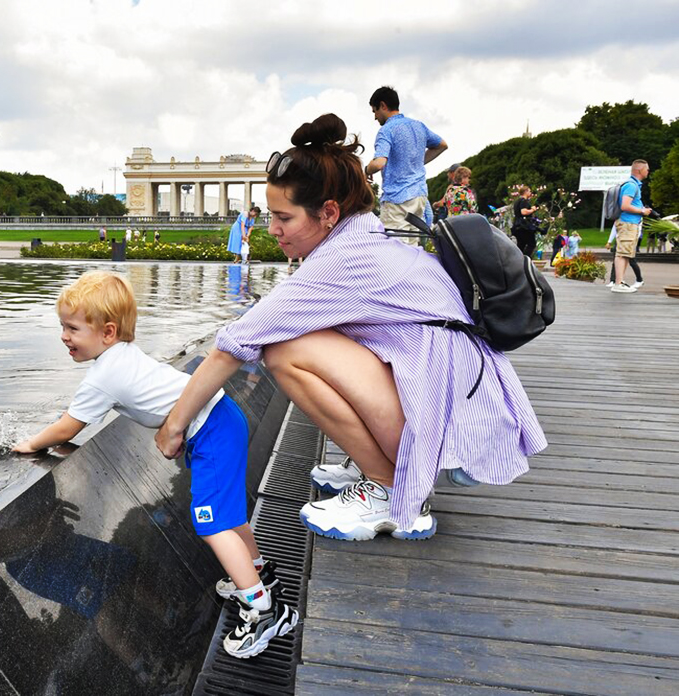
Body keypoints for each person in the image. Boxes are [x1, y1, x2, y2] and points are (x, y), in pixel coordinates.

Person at [156, 113, 546, 546]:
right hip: (462, 413)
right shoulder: (365, 239)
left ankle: (390, 489)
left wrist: (175, 424)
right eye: (270, 216)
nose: (273, 229)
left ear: (328, 212)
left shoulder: (341, 262)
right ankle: (380, 466)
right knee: (303, 334)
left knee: (282, 352)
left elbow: (233, 345)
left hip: (449, 427)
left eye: (283, 217)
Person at [13, 271, 298, 659]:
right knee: (230, 517)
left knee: (211, 522)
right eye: (63, 326)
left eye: (72, 328)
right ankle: (257, 573)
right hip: (221, 418)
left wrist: (30, 443)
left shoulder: (103, 376)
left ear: (108, 332)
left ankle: (263, 611)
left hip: (211, 432)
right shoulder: (123, 354)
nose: (64, 336)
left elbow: (68, 426)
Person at [364, 86, 447, 243]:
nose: (375, 117)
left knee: (395, 251)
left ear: (383, 105)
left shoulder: (387, 130)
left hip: (397, 199)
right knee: (413, 248)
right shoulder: (418, 126)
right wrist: (416, 162)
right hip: (419, 196)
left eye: (374, 111)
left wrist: (366, 170)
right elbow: (442, 145)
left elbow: (379, 163)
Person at [610, 160, 653, 294]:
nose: (648, 172)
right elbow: (625, 206)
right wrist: (642, 211)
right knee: (622, 253)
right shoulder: (631, 186)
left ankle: (620, 281)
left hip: (630, 223)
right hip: (627, 223)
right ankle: (618, 283)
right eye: (647, 169)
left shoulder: (633, 185)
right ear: (639, 171)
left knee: (626, 253)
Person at [606, 224, 644, 288]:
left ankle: (639, 279)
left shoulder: (635, 216)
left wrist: (634, 240)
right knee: (617, 260)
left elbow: (638, 229)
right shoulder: (621, 216)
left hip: (630, 239)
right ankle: (614, 280)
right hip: (620, 238)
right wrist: (609, 241)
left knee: (631, 260)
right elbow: (615, 227)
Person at [511, 186, 538, 257]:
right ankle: (525, 260)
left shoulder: (517, 201)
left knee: (521, 245)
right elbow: (524, 212)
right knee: (531, 244)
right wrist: (533, 210)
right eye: (529, 191)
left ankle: (517, 259)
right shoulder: (524, 201)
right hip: (524, 226)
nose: (530, 193)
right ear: (525, 192)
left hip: (517, 225)